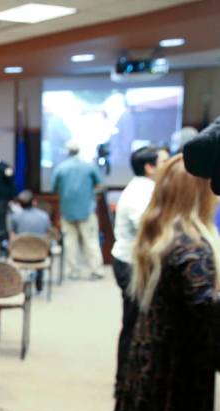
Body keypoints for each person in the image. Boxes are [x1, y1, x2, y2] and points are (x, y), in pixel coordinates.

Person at [112, 154, 220, 411]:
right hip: (174, 360)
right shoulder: (192, 245)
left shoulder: (163, 231)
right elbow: (207, 305)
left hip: (155, 351)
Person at [111, 146, 168, 393]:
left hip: (134, 262)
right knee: (133, 322)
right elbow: (150, 231)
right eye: (164, 161)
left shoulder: (147, 188)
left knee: (136, 320)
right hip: (131, 264)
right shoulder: (139, 193)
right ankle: (124, 380)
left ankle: (128, 377)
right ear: (150, 167)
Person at [52, 141, 104, 280]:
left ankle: (73, 271)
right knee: (91, 241)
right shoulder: (89, 166)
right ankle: (96, 270)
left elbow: (54, 188)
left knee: (70, 243)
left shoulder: (60, 168)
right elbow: (99, 184)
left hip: (67, 211)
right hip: (87, 211)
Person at [10, 190, 52, 293]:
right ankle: (39, 284)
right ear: (34, 202)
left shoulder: (15, 217)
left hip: (19, 255)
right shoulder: (44, 216)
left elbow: (13, 237)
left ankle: (19, 284)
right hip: (40, 255)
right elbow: (47, 236)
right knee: (40, 246)